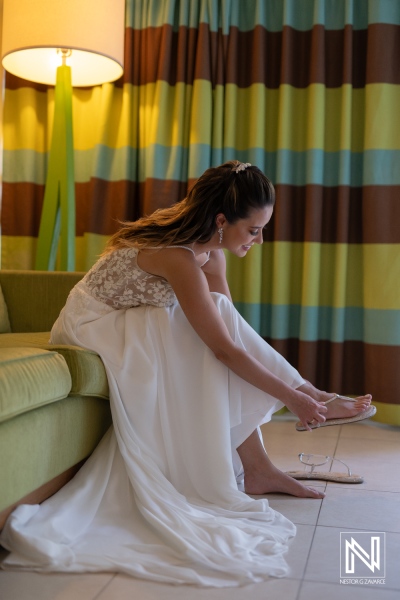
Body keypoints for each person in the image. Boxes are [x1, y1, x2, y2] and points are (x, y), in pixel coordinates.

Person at [0, 161, 374, 587]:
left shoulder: (210, 250)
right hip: (93, 325)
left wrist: (292, 392)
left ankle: (265, 458)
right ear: (220, 221)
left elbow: (229, 327)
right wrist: (291, 398)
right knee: (201, 331)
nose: (260, 239)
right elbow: (223, 348)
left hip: (137, 318)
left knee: (214, 316)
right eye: (253, 229)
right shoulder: (177, 255)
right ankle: (304, 405)